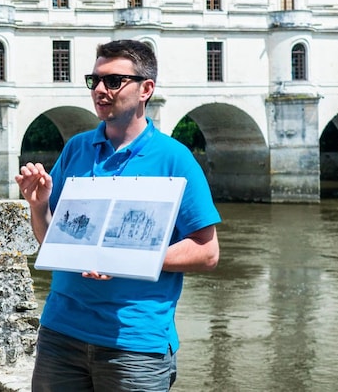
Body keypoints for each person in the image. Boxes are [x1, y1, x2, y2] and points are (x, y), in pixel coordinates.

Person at [16, 39, 221, 392]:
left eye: (113, 81)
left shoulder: (175, 159)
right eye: (94, 80)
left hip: (135, 343)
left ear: (146, 89)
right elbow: (53, 241)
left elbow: (207, 252)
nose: (99, 90)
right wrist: (39, 206)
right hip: (61, 332)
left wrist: (127, 259)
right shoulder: (76, 148)